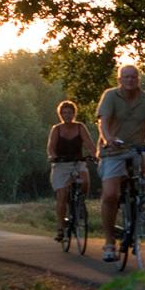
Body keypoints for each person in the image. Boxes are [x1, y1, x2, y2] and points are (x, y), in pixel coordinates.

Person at [96, 64, 145, 262]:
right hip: (113, 150)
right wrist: (107, 138)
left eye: (134, 77)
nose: (130, 80)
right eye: (126, 77)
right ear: (119, 79)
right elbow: (103, 121)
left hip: (137, 149)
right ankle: (109, 242)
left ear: (138, 79)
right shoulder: (111, 96)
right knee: (111, 195)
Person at [46, 100, 97, 242]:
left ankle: (80, 203)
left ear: (74, 114)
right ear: (60, 114)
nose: (67, 115)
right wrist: (53, 157)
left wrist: (95, 155)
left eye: (69, 113)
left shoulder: (80, 127)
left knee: (85, 180)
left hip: (77, 162)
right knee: (62, 195)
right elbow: (51, 147)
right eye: (64, 113)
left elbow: (90, 144)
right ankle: (61, 228)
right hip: (61, 164)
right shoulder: (56, 129)